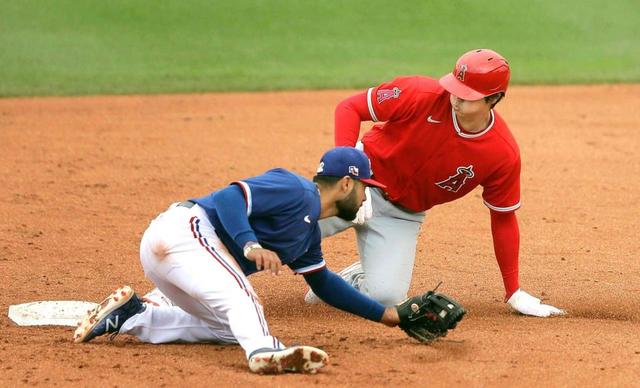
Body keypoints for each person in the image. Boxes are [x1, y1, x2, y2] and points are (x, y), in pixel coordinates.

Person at [74, 147, 417, 375]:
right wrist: (249, 245)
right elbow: (228, 197)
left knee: (227, 329)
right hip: (183, 231)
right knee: (244, 299)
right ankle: (265, 352)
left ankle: (134, 317)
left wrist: (387, 316)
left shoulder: (308, 237)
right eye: (364, 188)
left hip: (176, 261)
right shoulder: (296, 190)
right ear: (346, 184)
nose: (365, 197)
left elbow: (324, 283)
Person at [305, 49, 565, 317]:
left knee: (386, 297)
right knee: (286, 227)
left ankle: (355, 277)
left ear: (494, 99)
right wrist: (351, 176)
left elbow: (504, 218)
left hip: (401, 215)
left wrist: (514, 291)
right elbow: (349, 107)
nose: (455, 99)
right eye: (455, 88)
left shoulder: (501, 153)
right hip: (359, 184)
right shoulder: (419, 93)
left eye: (466, 96)